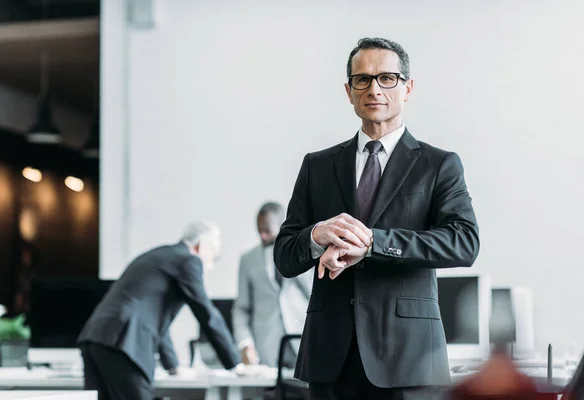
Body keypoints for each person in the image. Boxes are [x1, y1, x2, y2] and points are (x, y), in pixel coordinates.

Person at [274, 37, 480, 399]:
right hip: (330, 357)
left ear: (408, 87)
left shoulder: (438, 164)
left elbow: (464, 242)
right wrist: (316, 234)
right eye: (362, 79)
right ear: (348, 91)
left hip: (409, 358)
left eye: (387, 78)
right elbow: (284, 257)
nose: (374, 89)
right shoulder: (317, 166)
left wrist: (373, 243)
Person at [78, 221, 241, 400]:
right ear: (201, 246)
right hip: (123, 342)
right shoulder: (189, 260)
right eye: (214, 257)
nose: (210, 266)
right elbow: (207, 314)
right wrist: (235, 364)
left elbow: (157, 323)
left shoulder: (160, 255)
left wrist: (173, 367)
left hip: (94, 338)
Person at [232, 202, 312, 368]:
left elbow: (313, 293)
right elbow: (241, 308)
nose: (262, 236)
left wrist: (296, 254)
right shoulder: (248, 260)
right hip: (266, 347)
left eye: (267, 230)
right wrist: (245, 342)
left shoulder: (304, 253)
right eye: (259, 230)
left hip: (302, 340)